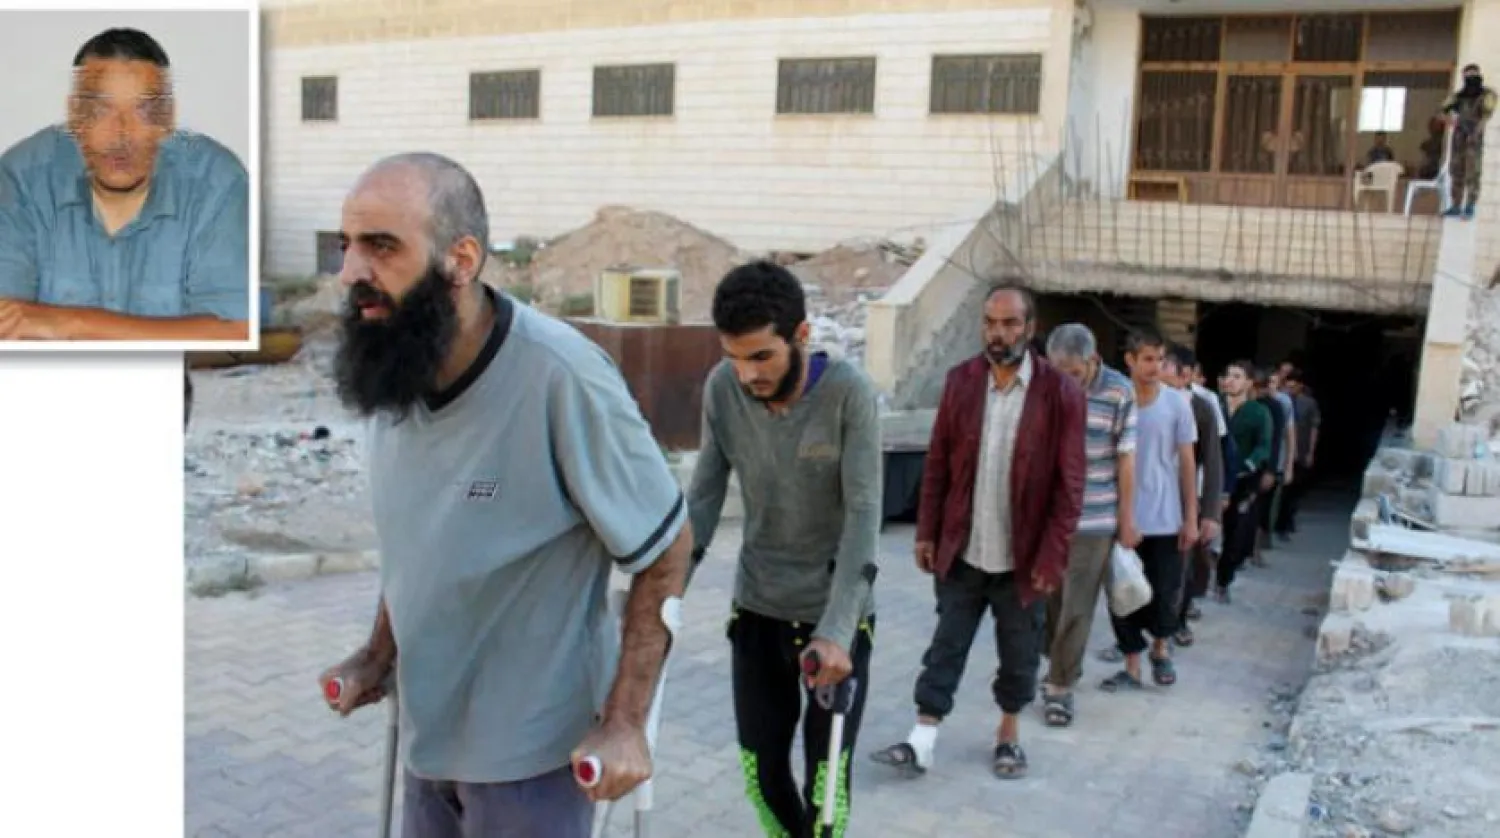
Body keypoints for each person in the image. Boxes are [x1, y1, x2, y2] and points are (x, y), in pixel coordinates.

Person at [315, 153, 691, 837]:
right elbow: (422, 540)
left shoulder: (560, 377)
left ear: (460, 259)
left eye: (381, 246)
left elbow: (667, 548)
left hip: (532, 761)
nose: (350, 273)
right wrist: (378, 653)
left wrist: (627, 724)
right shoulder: (394, 366)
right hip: (429, 738)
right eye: (346, 246)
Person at [685, 260, 881, 838]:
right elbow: (703, 499)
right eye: (734, 357)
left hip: (833, 621)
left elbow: (866, 519)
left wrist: (839, 630)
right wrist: (665, 597)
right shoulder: (723, 390)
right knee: (763, 777)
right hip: (758, 611)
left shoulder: (850, 396)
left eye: (761, 356)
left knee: (826, 795)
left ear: (801, 335)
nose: (747, 374)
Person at [869, 283, 1085, 780]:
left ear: (1030, 329)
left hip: (1023, 559)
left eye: (1010, 323)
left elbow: (1069, 486)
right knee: (946, 644)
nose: (998, 332)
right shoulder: (962, 382)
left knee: (1019, 656)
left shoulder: (1060, 394)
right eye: (990, 322)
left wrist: (1052, 556)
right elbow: (939, 463)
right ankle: (922, 738)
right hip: (964, 550)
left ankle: (1008, 737)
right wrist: (926, 532)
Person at [0, 28, 249, 341]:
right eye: (100, 110)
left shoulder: (217, 180)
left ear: (167, 119)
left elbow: (237, 329)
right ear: (74, 116)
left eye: (144, 112)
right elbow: (6, 321)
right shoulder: (20, 176)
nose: (121, 135)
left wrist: (71, 323)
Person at [1038, 322, 1136, 727]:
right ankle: (1054, 662)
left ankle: (1061, 687)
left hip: (1096, 517)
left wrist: (1126, 521)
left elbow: (1126, 458)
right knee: (1050, 600)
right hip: (1050, 516)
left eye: (1074, 374)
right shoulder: (1045, 386)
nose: (1067, 383)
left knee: (1078, 606)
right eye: (1059, 373)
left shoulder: (1118, 392)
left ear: (1092, 361)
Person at [1099, 329, 1197, 692]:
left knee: (1165, 590)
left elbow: (1187, 463)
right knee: (1122, 594)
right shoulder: (1114, 400)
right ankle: (1132, 665)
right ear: (1130, 360)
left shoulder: (1176, 404)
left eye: (1160, 359)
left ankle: (1160, 648)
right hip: (1119, 516)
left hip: (1166, 516)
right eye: (1148, 359)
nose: (1155, 367)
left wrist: (1191, 516)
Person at [1162, 345, 1222, 648]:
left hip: (1186, 499)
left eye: (1165, 365)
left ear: (1185, 374)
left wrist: (1211, 512)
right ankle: (1133, 638)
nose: (1158, 371)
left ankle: (1177, 622)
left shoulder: (1201, 408)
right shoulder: (1140, 401)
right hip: (1148, 498)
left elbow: (1213, 461)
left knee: (1182, 566)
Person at [1215, 361, 1275, 604]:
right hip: (1212, 478)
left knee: (1235, 532)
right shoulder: (1214, 406)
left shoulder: (1259, 412)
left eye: (1237, 376)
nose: (1231, 380)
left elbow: (1264, 446)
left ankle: (1222, 581)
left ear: (1249, 382)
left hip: (1241, 480)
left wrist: (1251, 463)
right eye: (1228, 375)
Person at [1442, 63, 1497, 219]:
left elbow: (1486, 115)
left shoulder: (1487, 94)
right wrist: (1451, 121)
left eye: (1473, 74)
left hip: (1474, 136)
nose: (1470, 78)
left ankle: (1470, 205)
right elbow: (1443, 109)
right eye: (1467, 75)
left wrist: (1476, 131)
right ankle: (1456, 205)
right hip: (1459, 136)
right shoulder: (1459, 96)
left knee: (1473, 171)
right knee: (1456, 170)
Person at [1276, 369, 1320, 538]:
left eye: (1293, 386)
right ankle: (1281, 523)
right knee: (1284, 489)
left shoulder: (1309, 403)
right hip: (1284, 451)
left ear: (1300, 386)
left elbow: (1314, 428)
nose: (1290, 389)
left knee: (1295, 489)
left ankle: (1288, 520)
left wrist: (1310, 451)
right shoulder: (1282, 401)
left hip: (1301, 450)